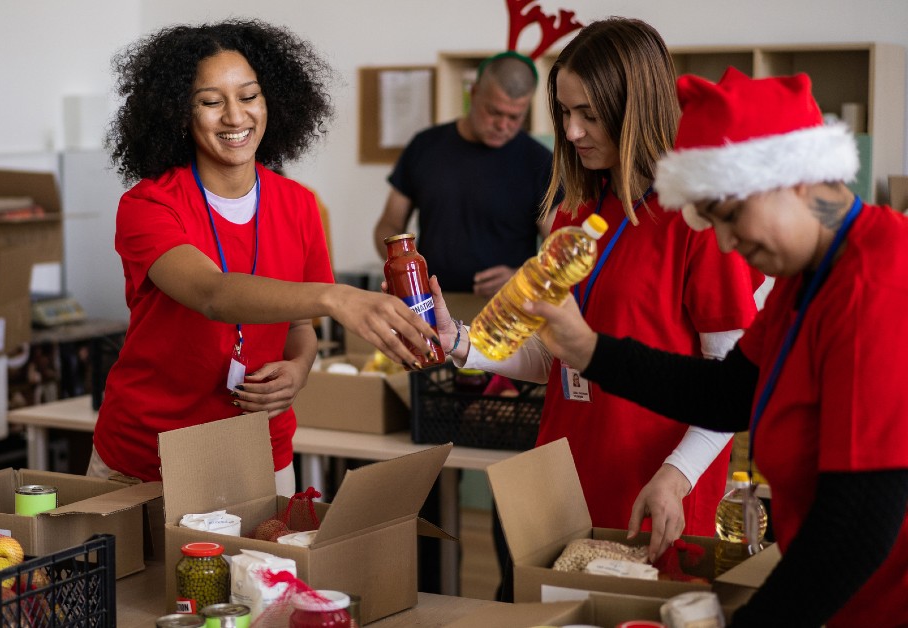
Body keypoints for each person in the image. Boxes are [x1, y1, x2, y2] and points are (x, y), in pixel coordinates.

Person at [528, 66, 908, 627]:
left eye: (730, 217)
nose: (726, 242)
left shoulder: (874, 283)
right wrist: (589, 350)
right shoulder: (811, 276)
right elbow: (729, 391)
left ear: (794, 181)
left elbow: (858, 526)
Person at [436, 18, 762, 562]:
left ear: (638, 108)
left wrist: (676, 477)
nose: (570, 131)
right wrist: (462, 345)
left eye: (589, 113)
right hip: (566, 478)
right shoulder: (580, 210)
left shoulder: (698, 220)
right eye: (564, 112)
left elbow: (731, 389)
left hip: (652, 491)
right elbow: (558, 357)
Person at [90, 19, 439, 494]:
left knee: (265, 570)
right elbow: (212, 293)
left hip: (259, 452)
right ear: (178, 114)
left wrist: (297, 369)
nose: (235, 117)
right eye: (211, 102)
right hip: (149, 456)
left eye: (249, 96)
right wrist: (337, 298)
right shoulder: (149, 205)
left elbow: (300, 328)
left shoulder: (299, 204)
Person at [372, 51, 554, 298]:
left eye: (515, 117)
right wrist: (404, 271)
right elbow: (389, 223)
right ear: (474, 93)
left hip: (505, 309)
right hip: (430, 304)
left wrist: (522, 277)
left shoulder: (539, 162)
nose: (503, 126)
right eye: (494, 112)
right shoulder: (425, 146)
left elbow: (559, 252)